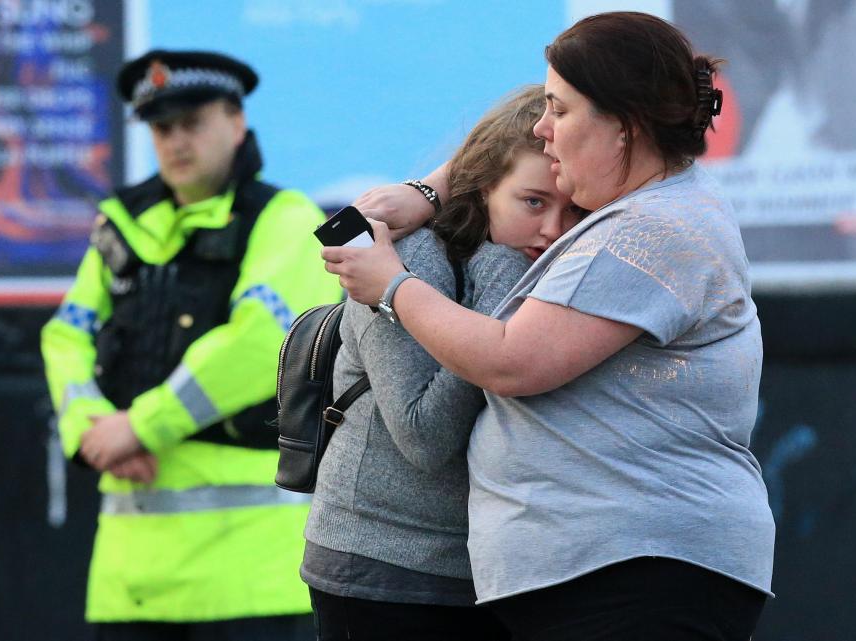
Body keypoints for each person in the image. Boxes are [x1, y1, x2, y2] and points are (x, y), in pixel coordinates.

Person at [324, 12, 775, 641]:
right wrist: (430, 191)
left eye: (559, 112)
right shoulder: (648, 203)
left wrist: (392, 288)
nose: (543, 127)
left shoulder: (649, 230)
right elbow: (512, 159)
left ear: (624, 127)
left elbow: (512, 361)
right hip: (609, 571)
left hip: (637, 572)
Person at [41, 49, 341, 640]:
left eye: (192, 123)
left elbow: (261, 343)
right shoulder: (120, 225)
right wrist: (90, 431)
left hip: (253, 579)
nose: (176, 141)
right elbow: (65, 335)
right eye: (162, 128)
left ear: (236, 123)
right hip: (130, 586)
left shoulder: (283, 218)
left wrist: (141, 427)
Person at [302, 85, 585, 641]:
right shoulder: (408, 257)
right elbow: (422, 437)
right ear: (482, 191)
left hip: (495, 571)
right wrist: (504, 300)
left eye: (573, 208)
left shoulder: (562, 270)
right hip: (385, 571)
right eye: (532, 202)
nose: (554, 229)